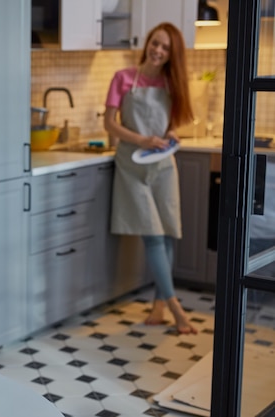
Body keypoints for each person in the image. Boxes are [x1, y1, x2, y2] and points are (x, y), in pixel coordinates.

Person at [103, 22, 197, 334]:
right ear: (147, 44)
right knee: (153, 236)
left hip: (163, 164)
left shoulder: (173, 84)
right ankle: (175, 306)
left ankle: (158, 305)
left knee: (168, 233)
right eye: (155, 43)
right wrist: (141, 140)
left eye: (165, 48)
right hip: (132, 165)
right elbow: (110, 125)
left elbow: (170, 125)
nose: (158, 50)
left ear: (172, 55)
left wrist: (170, 135)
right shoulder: (123, 78)